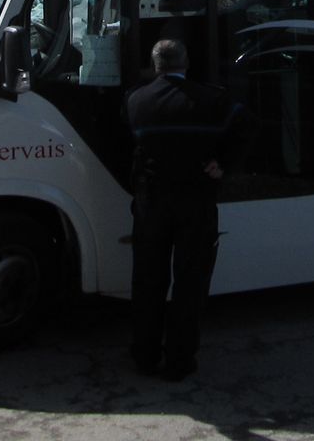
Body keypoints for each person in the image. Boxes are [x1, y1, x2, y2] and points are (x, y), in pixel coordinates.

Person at [125, 38, 250, 379]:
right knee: (189, 284)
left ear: (155, 67)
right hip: (196, 201)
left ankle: (144, 356)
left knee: (148, 281)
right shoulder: (214, 101)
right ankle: (180, 361)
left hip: (152, 202)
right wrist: (222, 164)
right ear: (186, 63)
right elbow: (241, 133)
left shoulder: (136, 101)